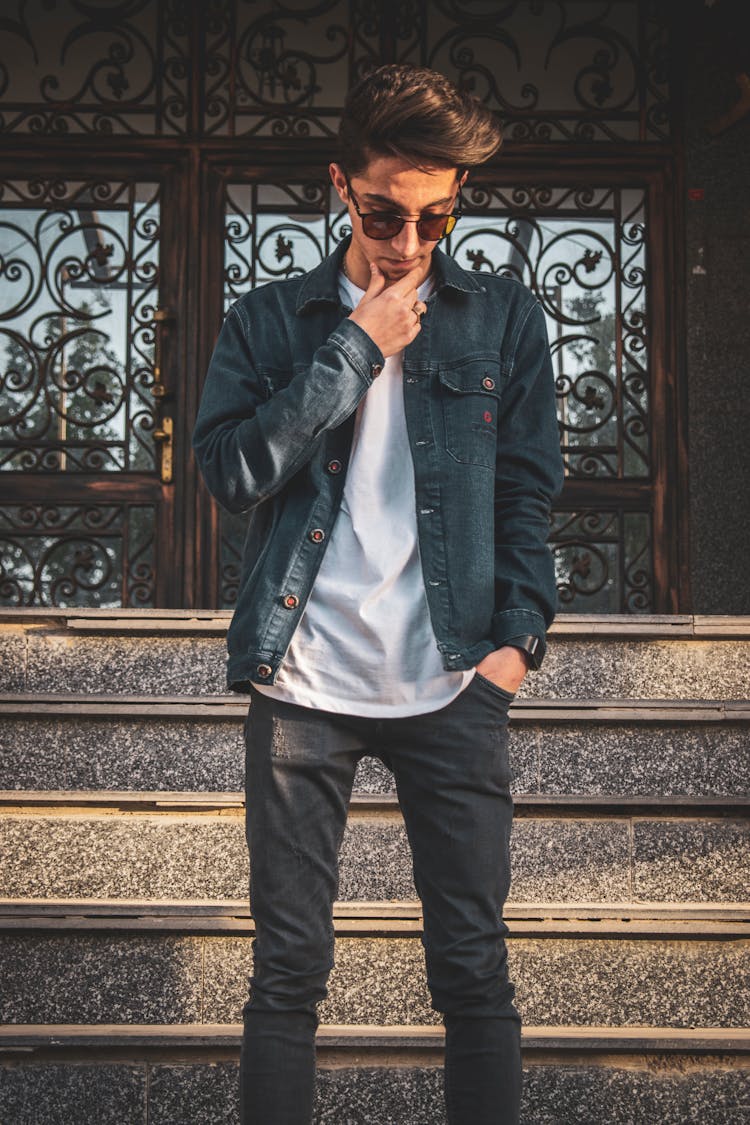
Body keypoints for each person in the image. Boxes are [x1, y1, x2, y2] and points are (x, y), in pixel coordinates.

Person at [192, 62, 564, 1125]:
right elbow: (229, 472)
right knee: (290, 969)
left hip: (453, 681)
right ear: (341, 186)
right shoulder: (274, 322)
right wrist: (354, 349)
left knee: (473, 970)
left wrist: (516, 649)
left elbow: (530, 491)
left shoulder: (502, 321)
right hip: (304, 678)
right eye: (384, 213)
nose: (408, 242)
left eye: (436, 217)